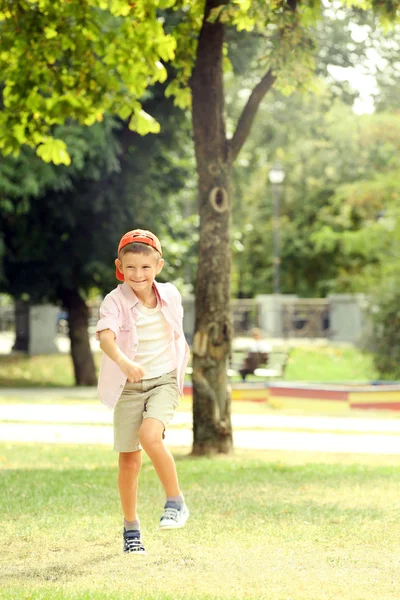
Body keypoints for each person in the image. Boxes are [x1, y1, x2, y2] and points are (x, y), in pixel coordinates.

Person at [95, 229, 190, 554]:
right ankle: (131, 528)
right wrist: (124, 363)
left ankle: (175, 501)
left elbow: (176, 337)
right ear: (120, 266)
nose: (138, 274)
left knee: (151, 436)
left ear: (158, 266)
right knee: (129, 459)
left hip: (163, 380)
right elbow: (106, 337)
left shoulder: (171, 295)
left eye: (146, 267)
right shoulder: (115, 300)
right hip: (128, 386)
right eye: (131, 267)